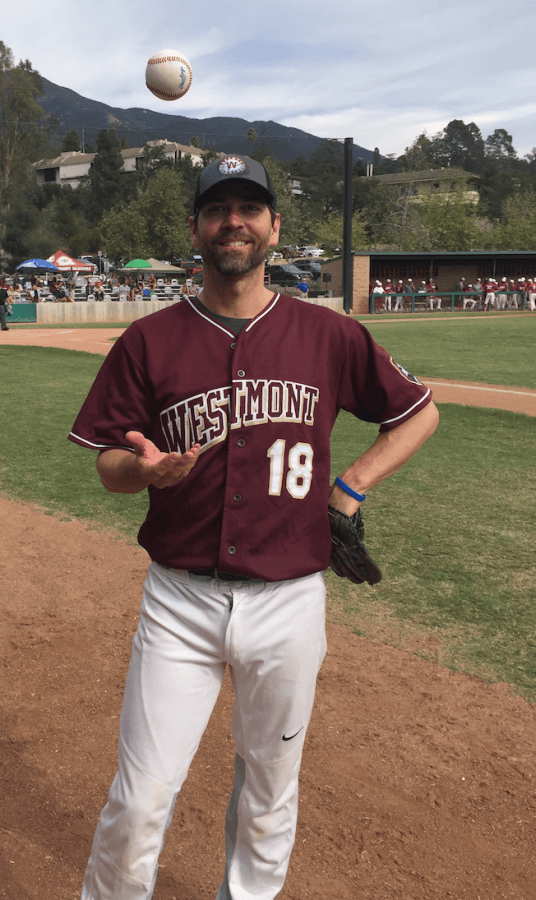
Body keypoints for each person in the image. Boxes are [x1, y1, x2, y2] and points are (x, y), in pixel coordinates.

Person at [69, 154, 439, 900]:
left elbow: (417, 413)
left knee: (270, 794)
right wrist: (142, 473)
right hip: (180, 603)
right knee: (140, 798)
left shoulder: (327, 335)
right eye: (216, 209)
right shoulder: (148, 341)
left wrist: (349, 490)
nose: (232, 221)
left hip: (289, 601)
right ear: (196, 229)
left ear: (273, 226)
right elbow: (108, 464)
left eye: (249, 207)